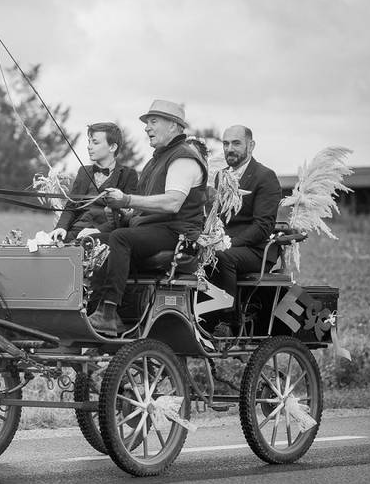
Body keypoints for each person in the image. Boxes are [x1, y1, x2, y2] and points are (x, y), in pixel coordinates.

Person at [89, 99, 208, 335]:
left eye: (153, 122)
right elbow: (145, 205)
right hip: (153, 229)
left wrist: (127, 200)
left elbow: (173, 203)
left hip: (177, 233)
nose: (147, 128)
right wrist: (123, 210)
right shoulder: (156, 160)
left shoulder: (183, 158)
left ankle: (109, 313)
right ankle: (95, 309)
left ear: (173, 126)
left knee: (121, 238)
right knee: (97, 241)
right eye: (147, 122)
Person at [206, 125, 282, 336]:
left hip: (256, 250)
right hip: (225, 243)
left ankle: (228, 320)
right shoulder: (222, 176)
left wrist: (228, 242)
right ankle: (202, 315)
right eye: (226, 143)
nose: (230, 148)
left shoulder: (265, 176)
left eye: (236, 143)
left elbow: (263, 226)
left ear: (251, 145)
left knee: (221, 256)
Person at [50, 122, 138, 242]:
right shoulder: (83, 171)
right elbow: (71, 206)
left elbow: (127, 216)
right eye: (89, 142)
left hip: (103, 235)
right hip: (75, 231)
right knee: (43, 247)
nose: (89, 146)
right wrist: (61, 227)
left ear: (112, 147)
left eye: (95, 142)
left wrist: (99, 231)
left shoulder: (128, 175)